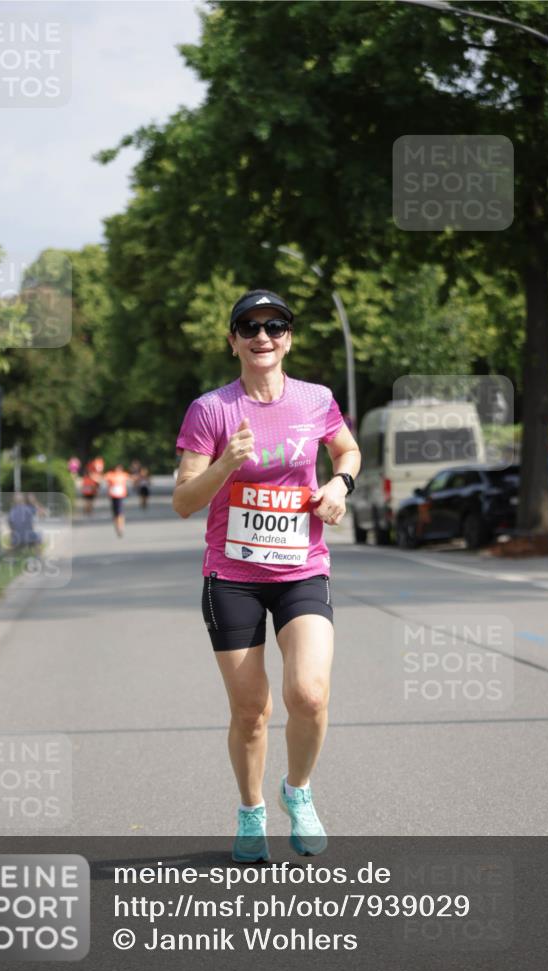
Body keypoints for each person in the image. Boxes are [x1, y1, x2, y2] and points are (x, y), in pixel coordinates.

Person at [173, 289, 360, 863]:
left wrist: (340, 485)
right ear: (232, 340)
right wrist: (226, 463)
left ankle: (297, 792)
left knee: (309, 692)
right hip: (232, 577)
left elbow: (346, 450)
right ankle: (251, 810)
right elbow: (183, 501)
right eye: (249, 327)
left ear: (289, 338)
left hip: (302, 568)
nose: (262, 336)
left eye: (275, 326)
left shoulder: (316, 399)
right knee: (251, 711)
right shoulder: (211, 410)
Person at [104, 463, 132, 537]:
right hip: (113, 497)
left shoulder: (123, 475)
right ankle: (117, 526)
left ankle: (121, 527)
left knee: (120, 512)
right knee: (115, 514)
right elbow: (102, 478)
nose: (118, 470)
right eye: (117, 468)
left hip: (121, 497)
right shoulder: (110, 475)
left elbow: (132, 478)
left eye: (119, 469)